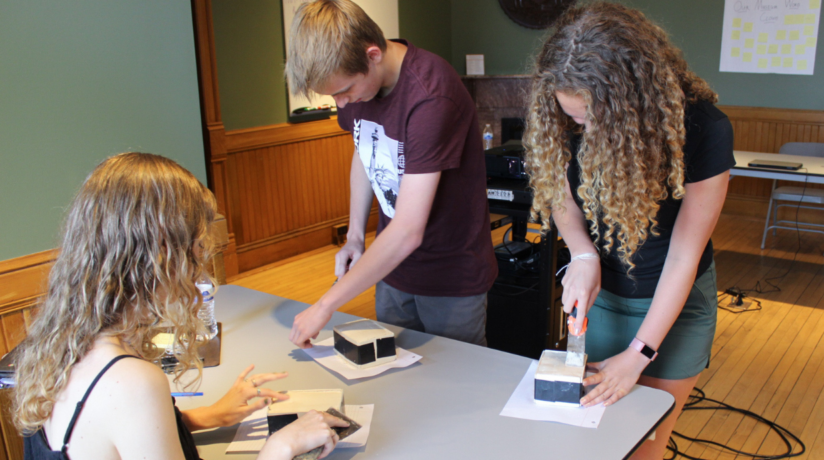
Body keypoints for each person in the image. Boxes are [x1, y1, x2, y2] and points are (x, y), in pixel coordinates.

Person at [13, 153, 348, 460]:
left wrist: (208, 416)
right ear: (162, 255)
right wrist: (278, 448)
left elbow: (111, 436)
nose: (199, 266)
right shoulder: (132, 382)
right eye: (197, 248)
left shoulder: (56, 344)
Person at [523, 4, 734, 459]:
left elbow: (684, 255)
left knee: (645, 445)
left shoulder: (704, 129)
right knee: (595, 437)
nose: (581, 129)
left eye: (590, 119)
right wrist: (582, 254)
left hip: (675, 306)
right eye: (574, 119)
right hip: (607, 299)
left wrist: (639, 353)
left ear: (629, 102)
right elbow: (561, 198)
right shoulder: (564, 115)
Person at [285, 0, 497, 348]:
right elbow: (365, 148)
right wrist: (355, 235)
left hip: (450, 276)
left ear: (373, 55)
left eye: (343, 91)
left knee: (455, 387)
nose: (342, 104)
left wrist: (326, 305)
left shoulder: (431, 96)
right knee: (397, 376)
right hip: (391, 270)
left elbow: (408, 231)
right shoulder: (360, 88)